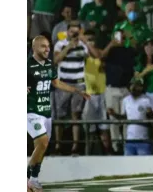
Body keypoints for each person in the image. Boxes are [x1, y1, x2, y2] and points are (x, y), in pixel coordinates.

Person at [28, 36, 90, 192]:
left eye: (48, 46)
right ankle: (26, 176)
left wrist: (77, 90)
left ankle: (34, 179)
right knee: (42, 141)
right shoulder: (26, 65)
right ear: (34, 48)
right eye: (43, 46)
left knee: (42, 147)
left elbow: (56, 83)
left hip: (46, 112)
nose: (47, 49)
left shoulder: (49, 65)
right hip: (31, 111)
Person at [53, 21, 90, 155]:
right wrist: (69, 46)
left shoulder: (82, 45)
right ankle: (58, 145)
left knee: (76, 114)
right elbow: (56, 60)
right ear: (67, 31)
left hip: (79, 83)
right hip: (64, 83)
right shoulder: (60, 43)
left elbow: (88, 55)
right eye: (72, 32)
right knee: (60, 114)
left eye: (76, 32)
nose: (73, 34)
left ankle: (75, 146)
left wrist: (83, 41)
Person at [107, 77, 153, 156]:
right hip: (129, 140)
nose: (134, 87)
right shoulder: (126, 100)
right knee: (129, 166)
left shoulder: (148, 99)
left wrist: (150, 113)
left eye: (138, 86)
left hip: (144, 140)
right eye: (132, 85)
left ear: (142, 87)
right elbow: (124, 118)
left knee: (145, 166)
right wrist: (114, 114)